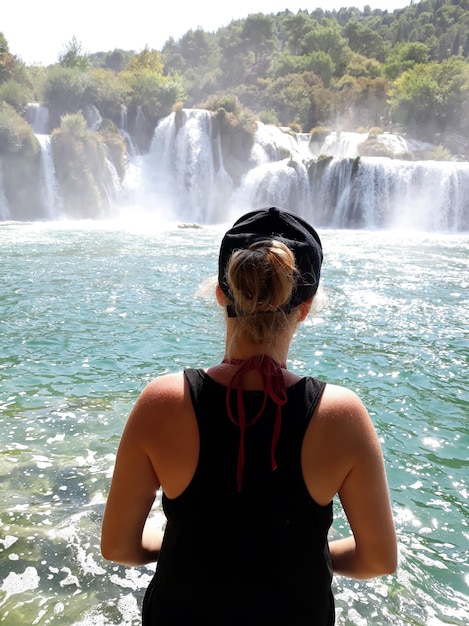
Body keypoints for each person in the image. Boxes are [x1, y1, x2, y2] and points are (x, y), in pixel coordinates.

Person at [101, 206, 397, 625]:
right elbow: (379, 559)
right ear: (306, 307)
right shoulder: (341, 415)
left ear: (222, 295)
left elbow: (118, 547)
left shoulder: (163, 402)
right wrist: (303, 552)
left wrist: (178, 546)